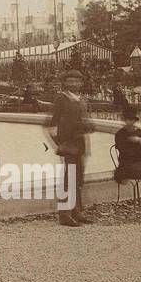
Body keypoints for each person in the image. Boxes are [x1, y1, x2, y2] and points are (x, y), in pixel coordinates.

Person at [48, 70, 91, 227]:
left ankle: (76, 211)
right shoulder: (61, 99)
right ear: (65, 83)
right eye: (70, 81)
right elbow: (52, 124)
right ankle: (64, 214)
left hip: (80, 144)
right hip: (68, 144)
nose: (73, 84)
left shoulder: (82, 100)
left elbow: (85, 121)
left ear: (81, 83)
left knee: (78, 178)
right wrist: (60, 143)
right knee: (69, 179)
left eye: (76, 81)